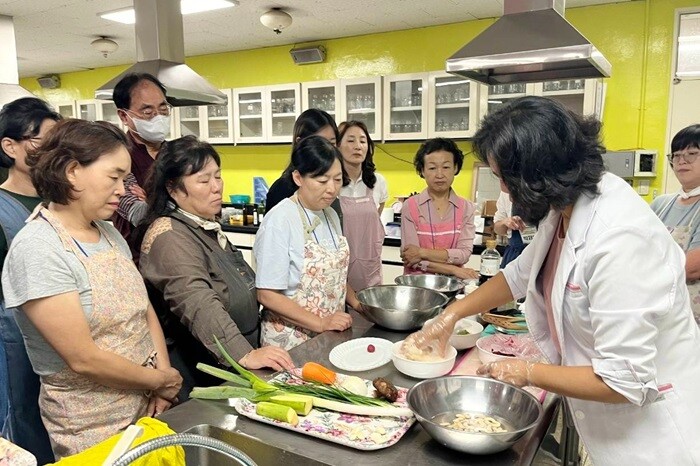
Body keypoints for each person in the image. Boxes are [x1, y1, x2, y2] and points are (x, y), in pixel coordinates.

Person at [404, 97, 700, 465]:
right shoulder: (564, 206)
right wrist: (449, 316)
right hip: (610, 426)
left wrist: (527, 371)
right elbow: (517, 275)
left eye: (504, 179)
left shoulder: (621, 239)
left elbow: (625, 379)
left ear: (536, 175)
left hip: (656, 441)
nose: (506, 192)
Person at [1, 119, 182, 459]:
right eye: (114, 177)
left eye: (125, 178)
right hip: (91, 422)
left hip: (148, 406)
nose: (122, 190)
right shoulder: (39, 249)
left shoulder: (108, 232)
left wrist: (162, 380)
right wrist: (158, 381)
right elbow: (83, 358)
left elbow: (143, 312)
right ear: (72, 171)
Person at [139, 136, 294, 400]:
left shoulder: (203, 225)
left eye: (218, 176)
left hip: (228, 362)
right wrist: (243, 353)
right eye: (203, 180)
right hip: (200, 372)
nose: (216, 187)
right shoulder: (170, 237)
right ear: (173, 189)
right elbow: (198, 301)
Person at [255, 136, 360, 350]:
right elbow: (267, 294)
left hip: (328, 335)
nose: (331, 189)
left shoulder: (330, 214)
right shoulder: (280, 219)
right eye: (322, 181)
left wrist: (360, 304)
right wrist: (321, 323)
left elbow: (333, 276)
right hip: (290, 340)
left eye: (338, 180)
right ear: (298, 177)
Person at [0, 97, 60, 463]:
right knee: (26, 431)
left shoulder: (63, 204)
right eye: (43, 142)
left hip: (63, 350)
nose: (53, 152)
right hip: (15, 346)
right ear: (10, 146)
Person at [113, 73, 172, 262]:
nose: (158, 118)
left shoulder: (178, 154)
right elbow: (137, 213)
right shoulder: (117, 157)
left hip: (181, 255)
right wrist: (173, 203)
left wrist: (152, 201)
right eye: (147, 112)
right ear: (124, 115)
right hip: (140, 264)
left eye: (163, 110)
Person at [400, 138, 478, 279]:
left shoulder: (466, 208)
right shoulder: (410, 206)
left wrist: (422, 253)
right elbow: (410, 257)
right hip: (417, 286)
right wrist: (453, 270)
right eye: (432, 168)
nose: (440, 174)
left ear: (455, 168)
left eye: (446, 167)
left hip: (453, 287)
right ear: (422, 171)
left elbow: (464, 254)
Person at [651, 124, 700, 325]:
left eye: (692, 153)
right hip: (660, 307)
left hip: (692, 314)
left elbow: (693, 267)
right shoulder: (661, 204)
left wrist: (643, 275)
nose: (682, 161)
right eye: (677, 155)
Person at [265, 109, 344, 225]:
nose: (327, 150)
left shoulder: (332, 197)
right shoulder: (281, 191)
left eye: (332, 143)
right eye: (319, 143)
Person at [337, 121, 387, 291]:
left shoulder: (378, 182)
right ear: (337, 146)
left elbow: (376, 218)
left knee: (369, 313)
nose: (358, 146)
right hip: (339, 270)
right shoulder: (331, 184)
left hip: (370, 269)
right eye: (350, 140)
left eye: (363, 141)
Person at [493, 191, 537, 268]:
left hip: (539, 252)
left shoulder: (544, 189)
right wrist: (504, 222)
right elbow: (497, 229)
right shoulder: (505, 194)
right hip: (514, 254)